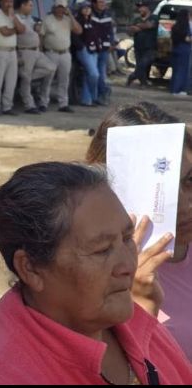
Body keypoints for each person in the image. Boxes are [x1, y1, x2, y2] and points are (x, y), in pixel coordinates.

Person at [0, 162, 192, 384]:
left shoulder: (137, 327)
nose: (128, 264)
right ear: (30, 268)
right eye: (102, 250)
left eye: (127, 238)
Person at [86, 101, 192, 360]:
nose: (184, 204)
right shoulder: (89, 275)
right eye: (159, 189)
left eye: (190, 181)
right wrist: (135, 310)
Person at [40, 0, 82, 113]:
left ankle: (63, 103)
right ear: (54, 8)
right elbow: (41, 36)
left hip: (65, 53)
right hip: (51, 52)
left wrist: (71, 16)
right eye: (58, 7)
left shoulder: (68, 20)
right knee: (47, 79)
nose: (60, 10)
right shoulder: (48, 19)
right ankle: (43, 102)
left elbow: (78, 30)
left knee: (64, 79)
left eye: (62, 8)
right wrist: (41, 51)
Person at [14, 0, 56, 114]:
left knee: (51, 68)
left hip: (36, 51)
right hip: (24, 51)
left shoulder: (30, 18)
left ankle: (42, 99)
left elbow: (35, 28)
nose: (32, 8)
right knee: (26, 78)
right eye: (30, 5)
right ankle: (29, 105)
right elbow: (20, 30)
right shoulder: (16, 17)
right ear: (23, 5)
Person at [0, 0, 25, 115]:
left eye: (11, 2)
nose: (9, 4)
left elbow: (22, 30)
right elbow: (5, 32)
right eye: (6, 1)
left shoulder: (13, 15)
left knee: (11, 81)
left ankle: (7, 107)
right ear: (1, 2)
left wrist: (13, 18)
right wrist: (16, 30)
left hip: (12, 52)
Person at [72, 1, 104, 107]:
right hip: (84, 50)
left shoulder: (92, 21)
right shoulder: (78, 21)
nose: (87, 10)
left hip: (94, 50)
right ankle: (94, 96)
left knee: (88, 75)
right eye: (84, 8)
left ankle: (87, 100)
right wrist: (82, 47)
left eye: (89, 8)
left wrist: (98, 47)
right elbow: (75, 36)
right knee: (94, 74)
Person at [126, 0, 159, 88]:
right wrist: (136, 28)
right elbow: (130, 30)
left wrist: (138, 27)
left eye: (142, 7)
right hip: (138, 46)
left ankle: (132, 76)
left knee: (143, 64)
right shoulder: (136, 19)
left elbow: (149, 25)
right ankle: (143, 83)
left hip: (150, 47)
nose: (140, 9)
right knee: (140, 65)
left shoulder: (154, 17)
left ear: (147, 8)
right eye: (139, 7)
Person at [91, 0, 114, 102]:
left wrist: (111, 44)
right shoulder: (90, 14)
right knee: (95, 73)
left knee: (101, 72)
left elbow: (111, 31)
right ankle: (103, 91)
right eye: (100, 2)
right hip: (93, 48)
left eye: (104, 2)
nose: (102, 4)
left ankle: (102, 93)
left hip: (104, 49)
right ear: (94, 4)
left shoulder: (108, 15)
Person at [170, 9, 191, 96]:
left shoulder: (175, 26)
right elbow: (187, 39)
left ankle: (173, 88)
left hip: (175, 48)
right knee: (183, 70)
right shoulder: (186, 26)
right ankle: (179, 89)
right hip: (184, 49)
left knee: (175, 70)